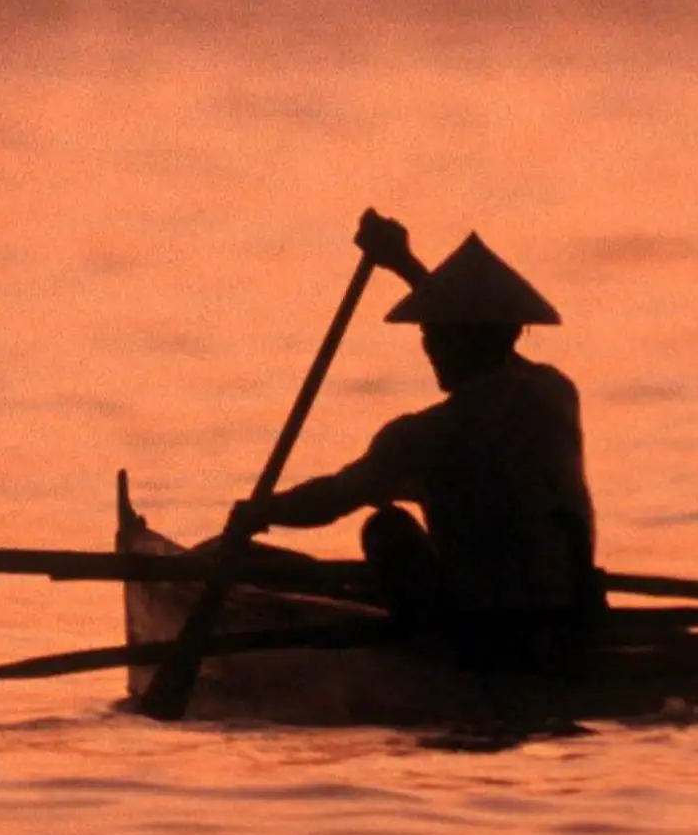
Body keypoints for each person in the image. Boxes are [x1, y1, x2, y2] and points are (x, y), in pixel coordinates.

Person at [233, 210, 601, 668]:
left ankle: (438, 661)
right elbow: (471, 329)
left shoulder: (423, 437)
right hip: (568, 617)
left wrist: (260, 512)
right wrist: (404, 265)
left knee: (384, 528)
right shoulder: (554, 394)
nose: (427, 347)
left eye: (432, 335)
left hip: (483, 633)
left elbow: (334, 497)